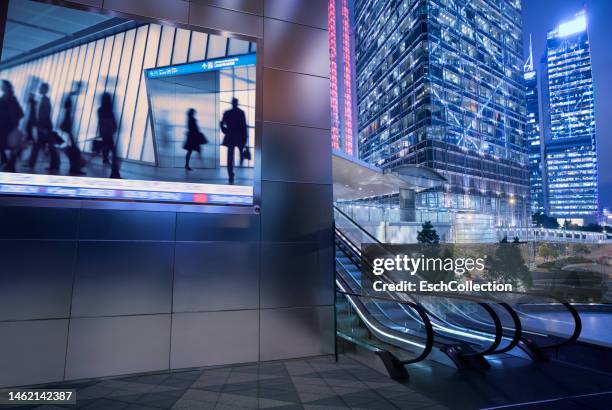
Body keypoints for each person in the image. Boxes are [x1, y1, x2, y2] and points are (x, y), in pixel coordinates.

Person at [28, 82, 59, 171]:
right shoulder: (42, 100)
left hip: (44, 127)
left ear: (45, 90)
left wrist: (43, 128)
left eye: (41, 88)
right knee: (38, 145)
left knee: (46, 146)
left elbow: (45, 115)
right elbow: (37, 111)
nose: (39, 89)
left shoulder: (45, 100)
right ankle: (31, 164)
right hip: (41, 127)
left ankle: (54, 165)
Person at [220, 97, 247, 184]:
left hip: (230, 136)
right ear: (237, 103)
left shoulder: (227, 113)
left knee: (230, 156)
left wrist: (225, 131)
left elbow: (222, 124)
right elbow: (244, 126)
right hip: (239, 136)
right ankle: (238, 167)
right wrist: (245, 137)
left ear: (232, 103)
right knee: (240, 153)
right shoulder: (241, 113)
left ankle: (230, 173)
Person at [60, 82, 85, 175]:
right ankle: (75, 168)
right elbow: (67, 110)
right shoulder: (71, 98)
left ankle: (74, 167)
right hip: (69, 126)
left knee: (73, 148)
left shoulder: (71, 96)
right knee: (74, 149)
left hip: (69, 126)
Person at [0, 80, 24, 172]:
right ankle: (7, 161)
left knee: (11, 145)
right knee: (4, 145)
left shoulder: (11, 98)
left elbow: (19, 113)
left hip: (7, 127)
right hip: (3, 126)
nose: (1, 87)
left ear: (7, 87)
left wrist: (14, 125)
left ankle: (10, 164)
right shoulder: (4, 97)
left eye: (3, 85)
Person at [97, 92, 120, 178]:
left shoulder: (100, 110)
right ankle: (115, 173)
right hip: (109, 135)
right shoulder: (109, 110)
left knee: (113, 153)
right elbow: (114, 124)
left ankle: (114, 172)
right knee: (114, 154)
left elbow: (101, 124)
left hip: (105, 135)